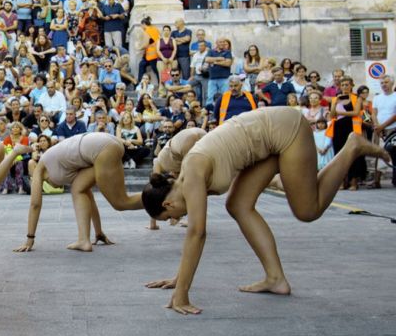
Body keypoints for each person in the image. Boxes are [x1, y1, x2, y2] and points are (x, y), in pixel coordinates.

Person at [141, 107, 390, 314]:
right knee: (237, 205)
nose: (178, 219)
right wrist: (179, 278)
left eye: (172, 218)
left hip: (285, 129)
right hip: (265, 142)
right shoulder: (187, 176)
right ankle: (275, 279)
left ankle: (352, 147)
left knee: (308, 210)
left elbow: (197, 232)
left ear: (168, 204)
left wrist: (181, 292)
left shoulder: (192, 172)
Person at [14, 132, 145, 253]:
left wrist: (29, 239)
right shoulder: (64, 164)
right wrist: (98, 232)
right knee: (79, 189)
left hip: (101, 146)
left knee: (121, 203)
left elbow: (35, 204)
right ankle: (84, 240)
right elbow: (89, 197)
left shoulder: (39, 169)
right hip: (107, 142)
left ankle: (162, 197)